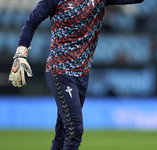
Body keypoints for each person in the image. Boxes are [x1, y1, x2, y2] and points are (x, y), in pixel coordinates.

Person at [8, 0, 144, 149]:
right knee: (75, 131)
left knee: (62, 135)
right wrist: (21, 53)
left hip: (83, 74)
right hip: (60, 71)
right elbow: (31, 22)